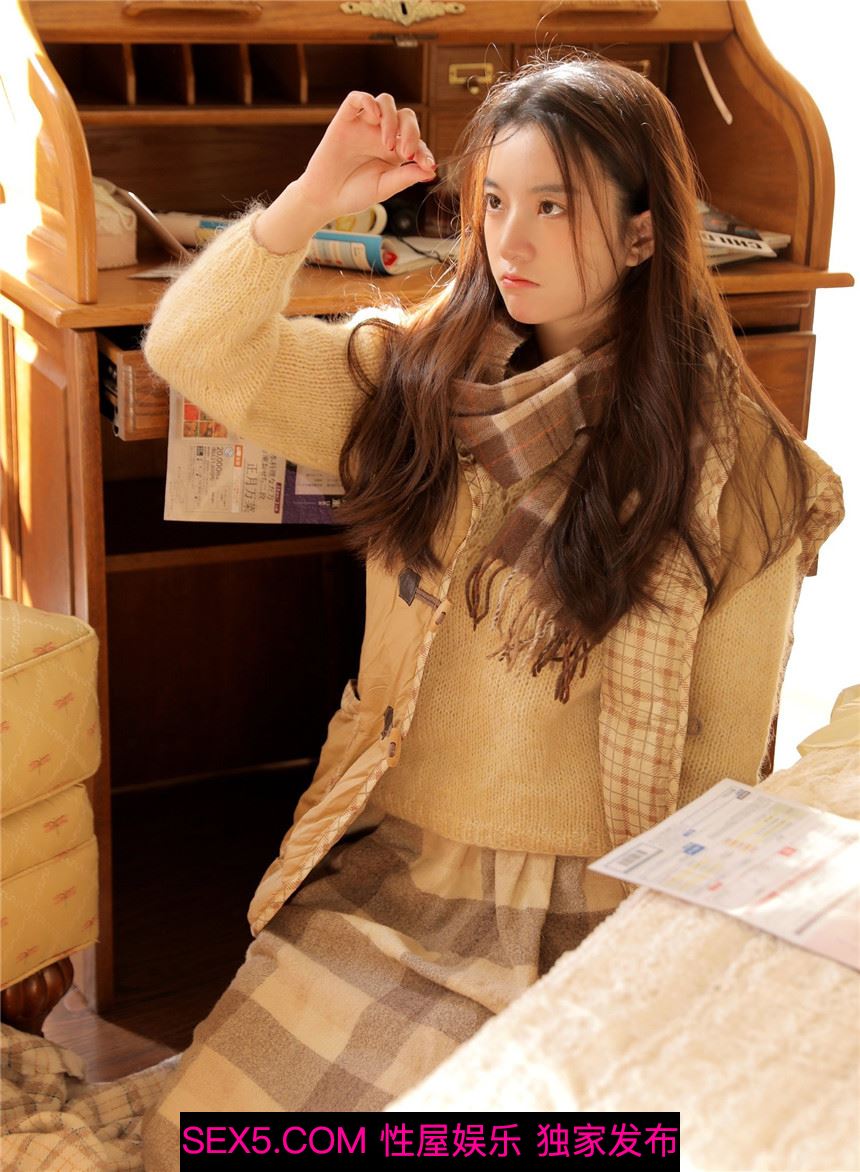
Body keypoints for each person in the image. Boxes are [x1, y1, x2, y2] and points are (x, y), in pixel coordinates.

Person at [139, 56, 843, 1163]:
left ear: (643, 235)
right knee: (195, 1143)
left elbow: (719, 762)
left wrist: (667, 972)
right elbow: (192, 349)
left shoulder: (740, 469)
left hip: (593, 906)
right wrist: (312, 197)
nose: (510, 242)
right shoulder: (413, 385)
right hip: (400, 881)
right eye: (495, 202)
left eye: (553, 207)